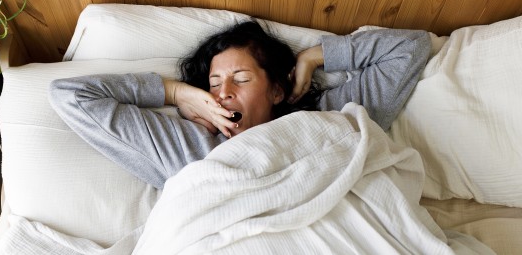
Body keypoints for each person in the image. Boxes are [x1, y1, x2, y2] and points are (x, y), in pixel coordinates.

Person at [49, 21, 431, 189]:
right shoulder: (188, 148)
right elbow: (71, 96)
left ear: (277, 91)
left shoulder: (328, 117)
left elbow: (411, 48)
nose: (223, 92)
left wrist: (312, 58)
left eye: (242, 79)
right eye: (213, 84)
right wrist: (176, 93)